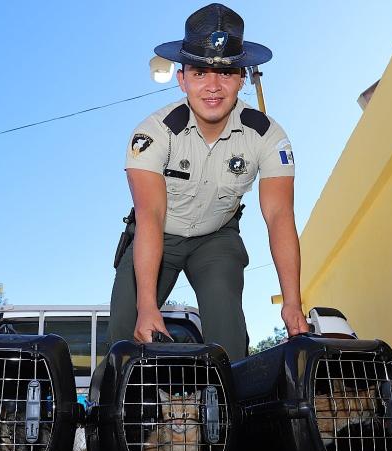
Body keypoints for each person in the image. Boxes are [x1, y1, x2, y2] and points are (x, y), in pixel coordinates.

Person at [108, 3, 306, 361]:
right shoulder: (152, 134)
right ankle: (105, 412)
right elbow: (150, 214)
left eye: (226, 73)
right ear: (182, 78)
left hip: (217, 237)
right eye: (199, 73)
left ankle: (229, 414)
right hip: (159, 235)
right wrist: (148, 306)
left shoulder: (268, 137)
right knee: (125, 337)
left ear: (242, 78)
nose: (213, 87)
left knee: (229, 342)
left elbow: (279, 217)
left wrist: (292, 303)